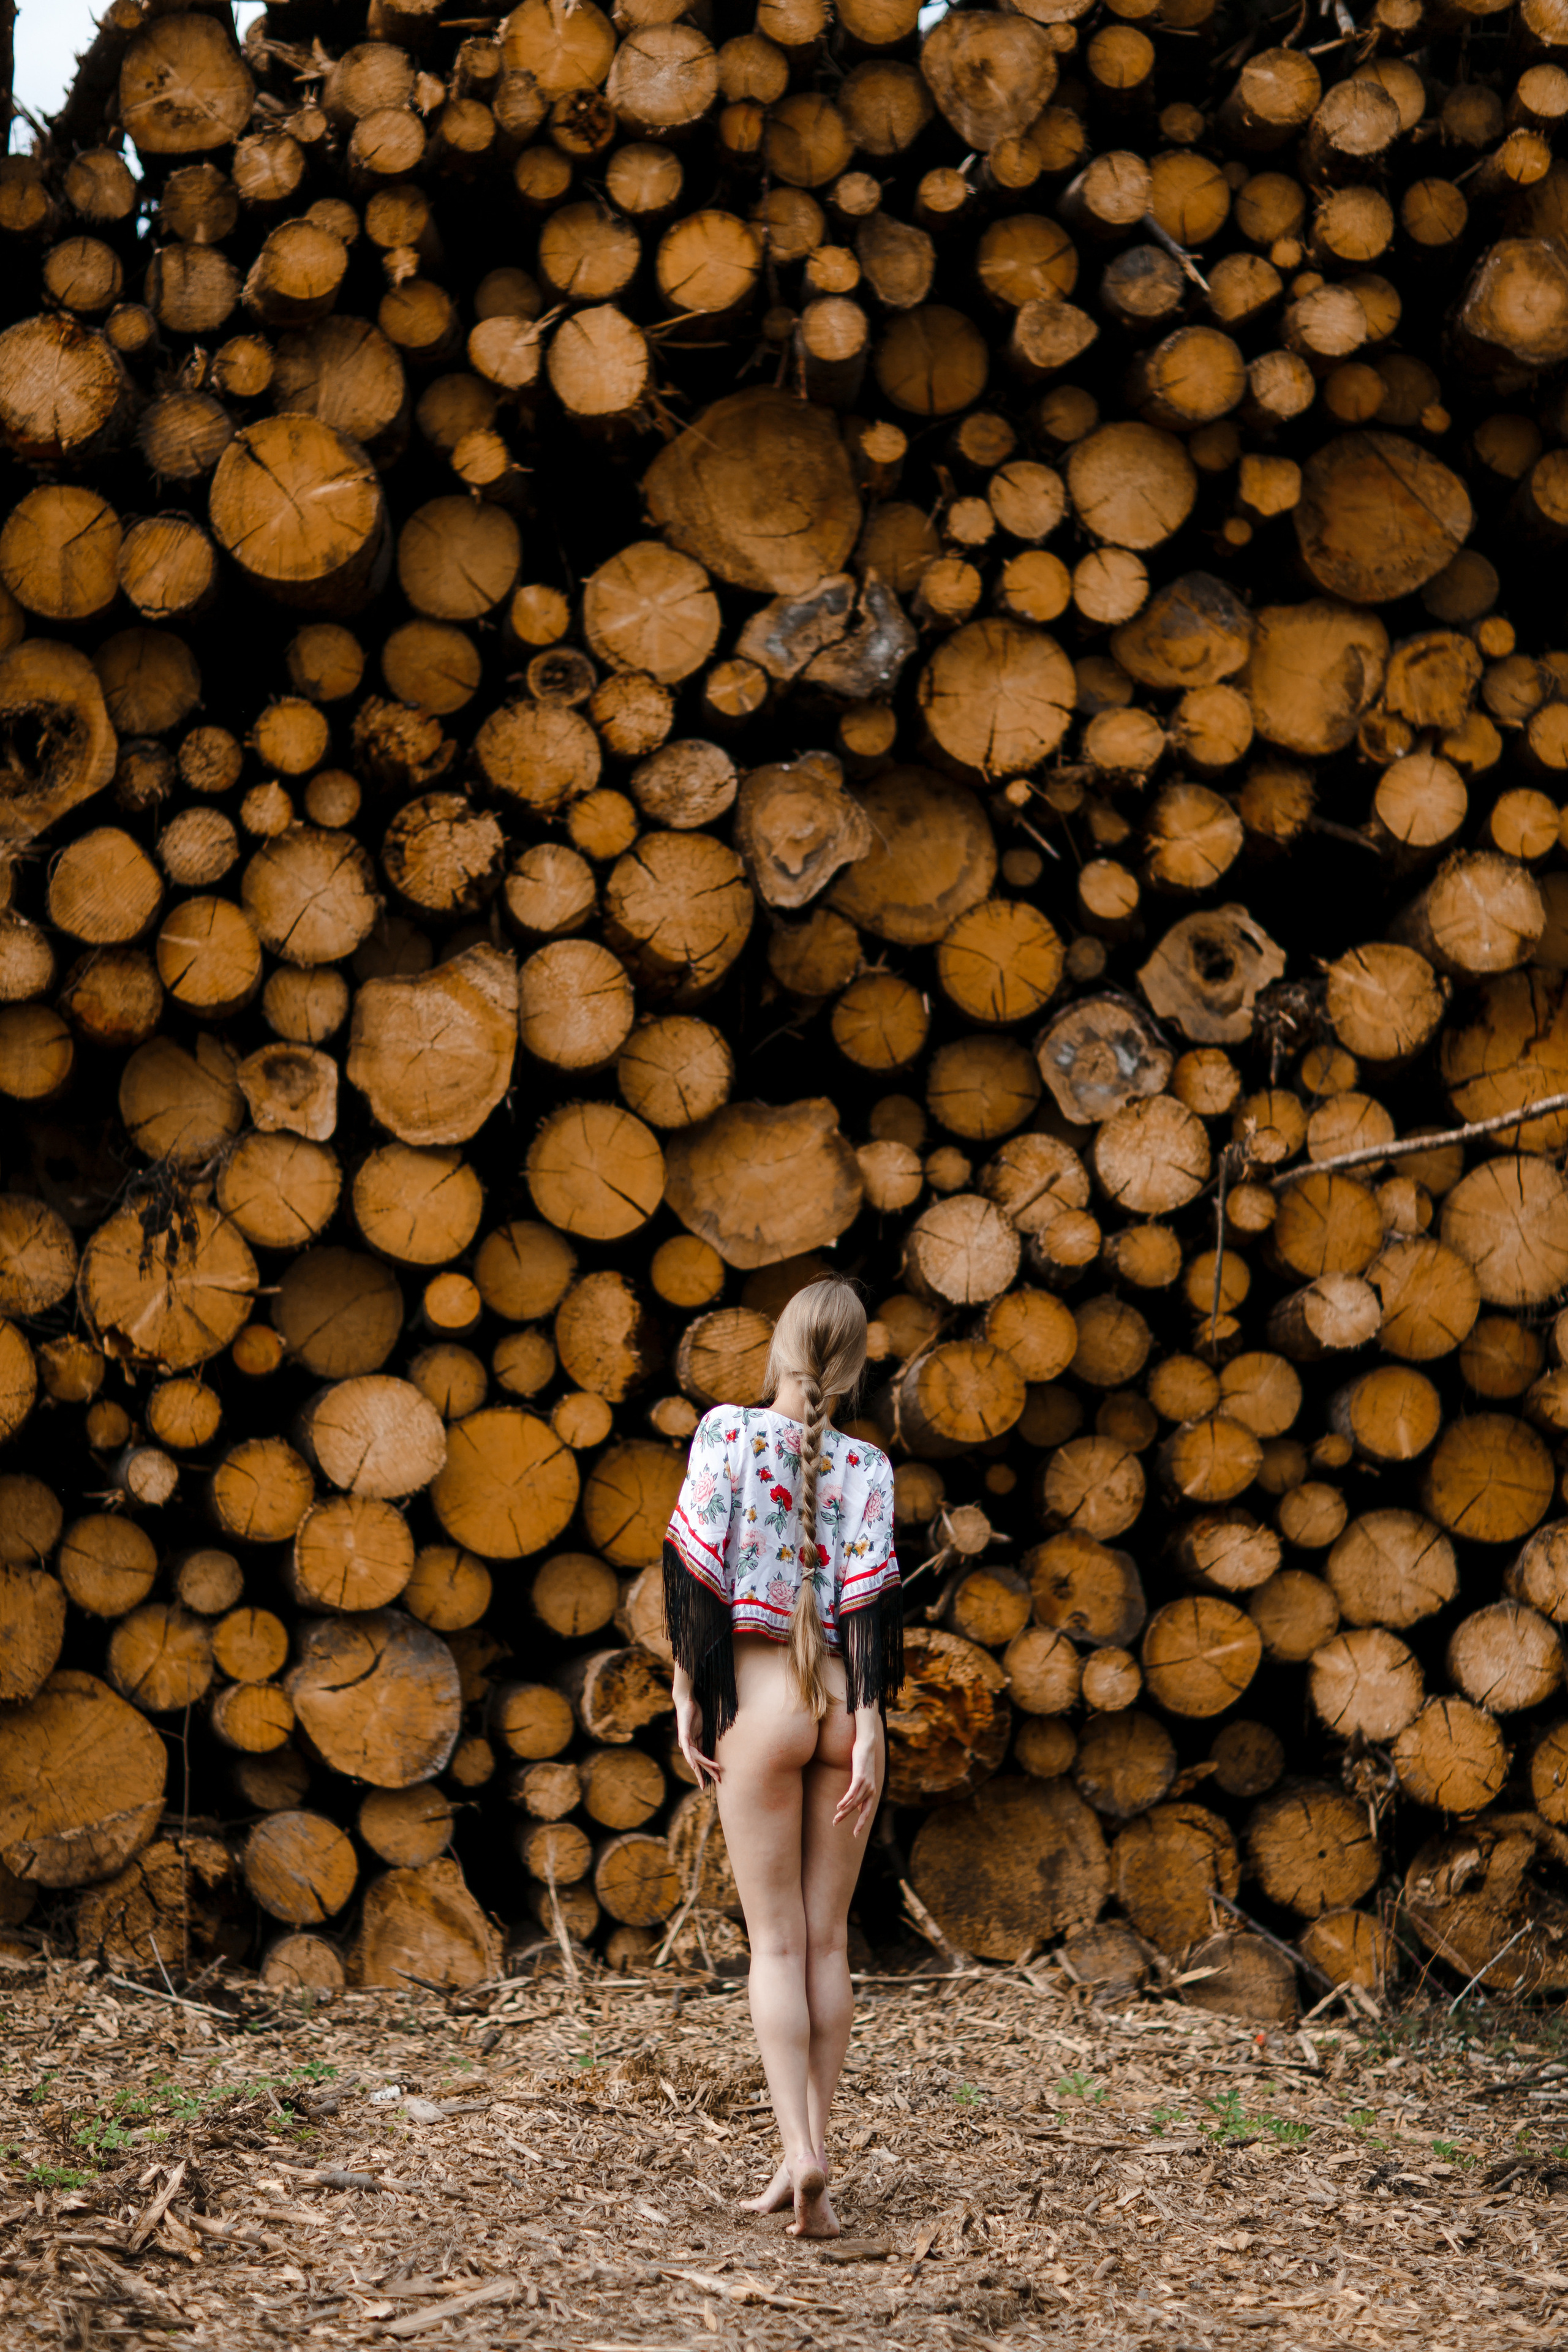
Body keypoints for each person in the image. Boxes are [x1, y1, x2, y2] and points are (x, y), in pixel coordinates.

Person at [663, 1276, 903, 2241]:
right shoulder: (871, 1466)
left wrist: (688, 1692)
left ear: (782, 1346)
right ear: (849, 1368)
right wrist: (873, 1726)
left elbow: (695, 1574)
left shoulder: (726, 1431)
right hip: (843, 1710)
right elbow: (872, 1607)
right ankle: (815, 2167)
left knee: (775, 1949)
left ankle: (797, 2151)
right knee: (829, 1945)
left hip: (761, 1710)